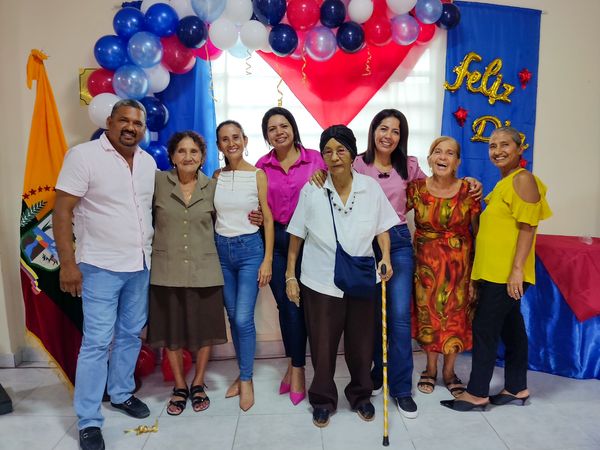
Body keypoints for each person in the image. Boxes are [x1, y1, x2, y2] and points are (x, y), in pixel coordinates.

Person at [54, 100, 155, 450]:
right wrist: (68, 264)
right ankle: (88, 419)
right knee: (97, 342)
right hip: (99, 266)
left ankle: (122, 393)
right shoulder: (83, 156)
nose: (131, 127)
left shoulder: (147, 162)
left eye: (137, 123)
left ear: (143, 128)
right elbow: (62, 212)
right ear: (110, 122)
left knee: (130, 334)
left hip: (139, 265)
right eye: (124, 120)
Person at [285, 125, 398, 428]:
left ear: (352, 154)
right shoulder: (313, 189)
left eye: (340, 150)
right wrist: (290, 275)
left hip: (362, 278)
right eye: (327, 152)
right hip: (320, 280)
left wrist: (386, 257)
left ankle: (360, 395)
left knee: (362, 344)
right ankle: (322, 399)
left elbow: (383, 229)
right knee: (322, 346)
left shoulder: (370, 188)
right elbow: (296, 234)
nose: (334, 157)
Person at [441, 126, 552, 412]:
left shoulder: (523, 179)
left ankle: (477, 393)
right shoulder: (504, 183)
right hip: (493, 271)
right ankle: (517, 387)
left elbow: (528, 226)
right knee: (512, 328)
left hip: (505, 273)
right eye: (492, 146)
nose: (498, 151)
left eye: (505, 145)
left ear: (519, 148)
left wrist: (517, 270)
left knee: (485, 328)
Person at [146, 131, 227, 416]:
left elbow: (230, 219)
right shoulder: (157, 182)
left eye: (194, 151)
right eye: (181, 151)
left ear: (203, 157)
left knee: (205, 332)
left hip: (205, 270)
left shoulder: (214, 187)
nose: (188, 156)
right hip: (166, 270)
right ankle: (179, 386)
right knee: (171, 332)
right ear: (172, 156)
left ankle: (198, 382)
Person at [255, 107, 327, 405]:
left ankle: (295, 365)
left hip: (310, 242)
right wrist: (253, 214)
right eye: (272, 128)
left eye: (284, 126)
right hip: (275, 241)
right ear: (266, 135)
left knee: (308, 307)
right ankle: (297, 367)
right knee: (287, 306)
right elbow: (256, 204)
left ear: (294, 128)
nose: (279, 132)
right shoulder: (261, 166)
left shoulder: (317, 160)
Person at [406, 137, 480, 398]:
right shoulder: (415, 189)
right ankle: (430, 369)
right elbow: (390, 211)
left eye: (450, 153)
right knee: (428, 318)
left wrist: (476, 274)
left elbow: (478, 233)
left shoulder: (469, 191)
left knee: (455, 320)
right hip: (425, 268)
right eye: (437, 152)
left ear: (457, 161)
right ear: (429, 159)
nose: (443, 157)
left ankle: (449, 372)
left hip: (459, 269)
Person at [214, 120, 274, 411]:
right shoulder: (216, 176)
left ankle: (247, 379)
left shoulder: (258, 175)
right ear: (219, 145)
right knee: (232, 316)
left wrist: (267, 260)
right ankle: (242, 372)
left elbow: (268, 219)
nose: (231, 143)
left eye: (236, 137)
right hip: (221, 252)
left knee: (242, 318)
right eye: (225, 139)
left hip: (250, 251)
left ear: (245, 140)